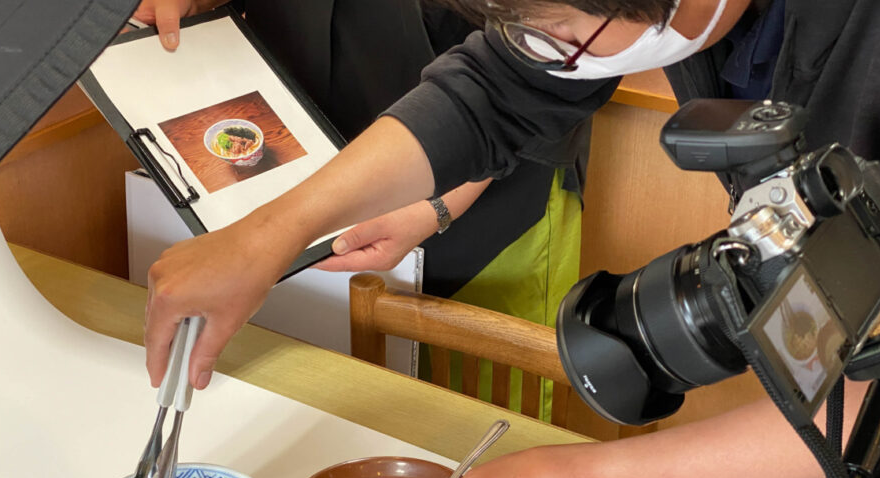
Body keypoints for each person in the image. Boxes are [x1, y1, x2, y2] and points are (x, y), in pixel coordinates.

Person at [141, 0, 880, 478]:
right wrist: (269, 235)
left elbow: (863, 398)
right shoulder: (688, 18)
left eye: (557, 35)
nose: (537, 51)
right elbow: (488, 91)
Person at [136, 0, 593, 419]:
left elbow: (527, 74)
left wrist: (437, 206)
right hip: (299, 147)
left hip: (491, 179)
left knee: (477, 415)